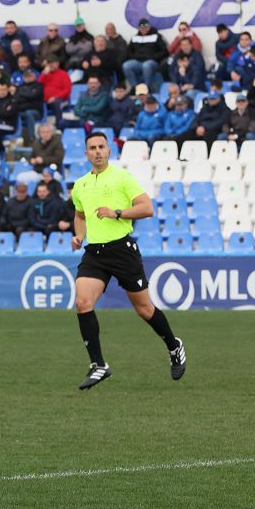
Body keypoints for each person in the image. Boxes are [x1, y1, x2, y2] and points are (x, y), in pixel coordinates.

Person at [71, 131, 186, 390]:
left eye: (102, 146)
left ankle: (173, 345)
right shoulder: (80, 185)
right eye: (93, 147)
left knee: (144, 309)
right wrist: (79, 236)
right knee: (82, 302)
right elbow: (80, 214)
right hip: (94, 252)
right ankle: (98, 364)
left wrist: (117, 212)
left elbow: (147, 207)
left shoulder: (122, 177)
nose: (98, 151)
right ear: (86, 153)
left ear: (109, 150)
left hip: (122, 250)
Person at [123, 19, 166, 94]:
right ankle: (135, 89)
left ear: (149, 27)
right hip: (138, 61)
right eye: (141, 27)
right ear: (139, 28)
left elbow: (164, 51)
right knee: (126, 66)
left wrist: (154, 57)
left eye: (146, 27)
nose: (144, 29)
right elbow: (129, 51)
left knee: (146, 66)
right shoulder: (135, 37)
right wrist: (134, 57)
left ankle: (146, 89)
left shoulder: (157, 36)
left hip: (152, 62)